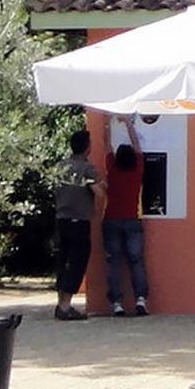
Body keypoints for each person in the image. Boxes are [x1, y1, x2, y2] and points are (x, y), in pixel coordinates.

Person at [102, 115, 150, 316]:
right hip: (132, 220)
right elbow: (138, 146)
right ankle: (140, 300)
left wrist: (107, 123)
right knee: (136, 261)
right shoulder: (137, 170)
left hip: (111, 220)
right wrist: (129, 124)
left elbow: (107, 145)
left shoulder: (112, 170)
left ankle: (117, 304)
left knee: (114, 262)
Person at [54, 128, 103, 320]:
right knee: (77, 263)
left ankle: (61, 304)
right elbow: (99, 192)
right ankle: (66, 307)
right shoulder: (86, 169)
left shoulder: (60, 167)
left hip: (61, 219)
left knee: (63, 261)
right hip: (79, 221)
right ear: (87, 148)